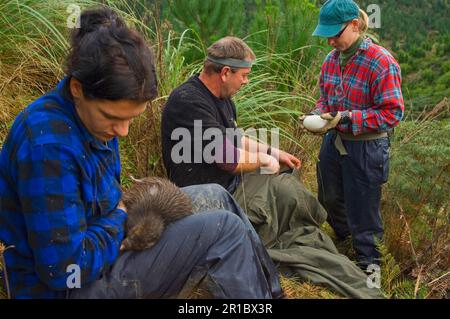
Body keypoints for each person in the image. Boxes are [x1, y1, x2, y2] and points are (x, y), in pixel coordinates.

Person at [0, 7, 282, 299]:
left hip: (103, 243)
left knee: (217, 196)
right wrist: (122, 218)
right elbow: (65, 270)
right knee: (224, 228)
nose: (122, 131)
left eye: (130, 119)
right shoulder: (49, 149)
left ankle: (271, 295)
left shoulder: (91, 119)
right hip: (71, 289)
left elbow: (106, 205)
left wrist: (123, 212)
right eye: (113, 118)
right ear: (77, 88)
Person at [161, 36, 384, 298]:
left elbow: (236, 139)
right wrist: (264, 162)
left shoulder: (223, 98)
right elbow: (228, 160)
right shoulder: (189, 101)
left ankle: (315, 231)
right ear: (224, 72)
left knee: (286, 177)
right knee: (280, 191)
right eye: (243, 75)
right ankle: (289, 242)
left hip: (228, 182)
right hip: (209, 197)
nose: (246, 81)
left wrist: (274, 152)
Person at [300, 0, 404, 271]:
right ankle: (347, 242)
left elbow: (392, 114)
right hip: (333, 143)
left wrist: (347, 118)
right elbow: (326, 100)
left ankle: (372, 273)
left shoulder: (380, 62)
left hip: (367, 149)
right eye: (327, 35)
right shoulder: (331, 61)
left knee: (364, 214)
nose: (330, 41)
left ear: (355, 25)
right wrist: (318, 116)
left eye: (335, 34)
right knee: (330, 199)